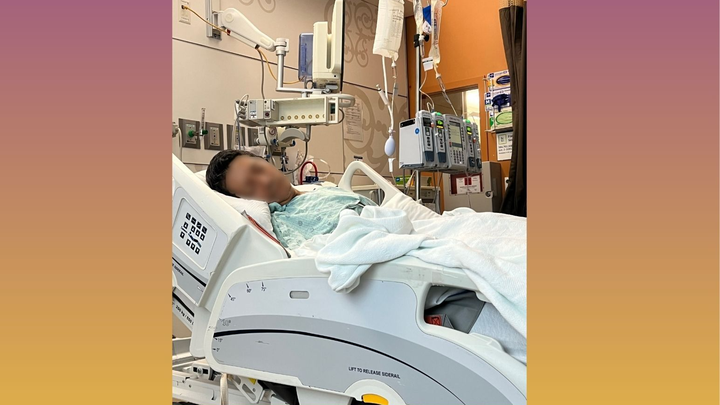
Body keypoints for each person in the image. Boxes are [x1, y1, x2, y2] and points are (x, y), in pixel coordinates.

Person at [206, 150, 376, 249]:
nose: (265, 181)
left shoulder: (320, 190)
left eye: (258, 169)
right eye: (251, 187)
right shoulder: (282, 224)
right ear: (246, 200)